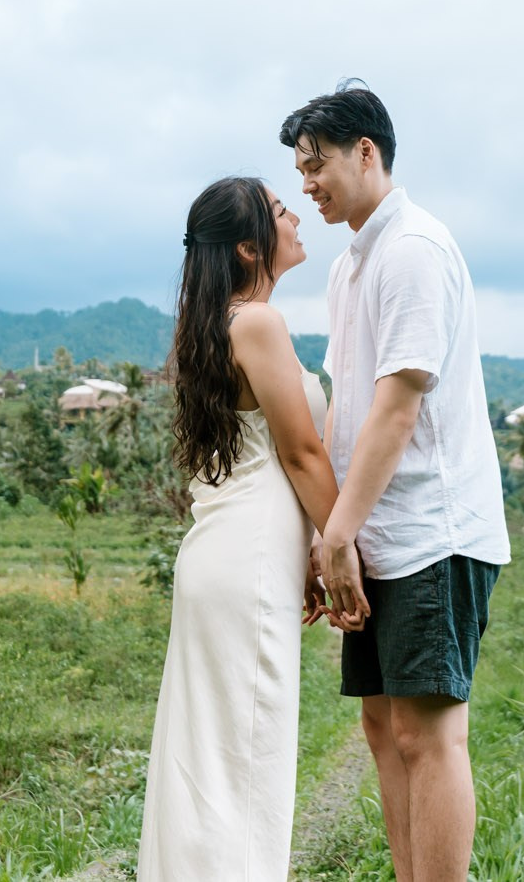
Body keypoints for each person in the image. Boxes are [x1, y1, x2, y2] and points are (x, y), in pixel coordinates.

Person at [281, 84, 511, 882]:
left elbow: (399, 402)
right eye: (300, 170)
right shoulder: (352, 264)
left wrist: (340, 528)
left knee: (428, 735)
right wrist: (332, 528)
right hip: (375, 532)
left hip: (431, 530)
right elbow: (349, 407)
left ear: (366, 152)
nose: (306, 184)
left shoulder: (414, 247)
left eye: (315, 165)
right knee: (384, 729)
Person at [137, 176, 346, 881]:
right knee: (246, 764)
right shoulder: (257, 322)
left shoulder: (215, 320)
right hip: (251, 558)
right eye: (283, 210)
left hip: (224, 553)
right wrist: (343, 545)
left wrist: (309, 548)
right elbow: (301, 452)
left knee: (212, 762)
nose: (297, 215)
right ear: (252, 245)